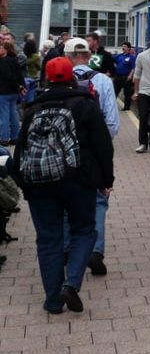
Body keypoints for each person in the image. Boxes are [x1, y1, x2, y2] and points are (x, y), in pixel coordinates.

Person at [4, 56, 115, 313]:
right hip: (78, 181)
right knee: (84, 231)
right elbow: (103, 146)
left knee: (48, 239)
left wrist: (25, 185)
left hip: (39, 184)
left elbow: (20, 152)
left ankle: (52, 300)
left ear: (46, 78)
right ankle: (71, 285)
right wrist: (105, 182)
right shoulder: (85, 104)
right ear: (73, 77)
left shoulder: (32, 109)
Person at [66, 37, 119, 276]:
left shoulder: (59, 82)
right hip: (95, 153)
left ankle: (69, 249)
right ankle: (95, 252)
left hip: (64, 152)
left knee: (67, 203)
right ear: (90, 56)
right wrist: (100, 144)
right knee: (97, 201)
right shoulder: (102, 81)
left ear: (66, 57)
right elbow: (112, 122)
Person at [0, 41, 26, 144]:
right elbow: (20, 75)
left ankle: (4, 138)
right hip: (14, 92)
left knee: (4, 115)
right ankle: (15, 136)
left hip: (3, 91)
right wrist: (21, 87)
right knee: (13, 114)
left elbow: (8, 76)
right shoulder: (14, 60)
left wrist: (18, 86)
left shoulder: (3, 61)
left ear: (5, 49)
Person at [113, 42, 136, 110]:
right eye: (123, 46)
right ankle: (112, 106)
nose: (123, 48)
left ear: (129, 48)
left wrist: (130, 76)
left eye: (125, 46)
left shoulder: (131, 57)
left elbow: (133, 67)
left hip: (126, 77)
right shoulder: (119, 56)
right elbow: (111, 58)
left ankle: (126, 107)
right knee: (115, 91)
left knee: (127, 93)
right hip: (118, 76)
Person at [23, 39, 40, 105]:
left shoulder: (25, 56)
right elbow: (39, 67)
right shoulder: (36, 56)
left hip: (25, 76)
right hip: (33, 76)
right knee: (31, 95)